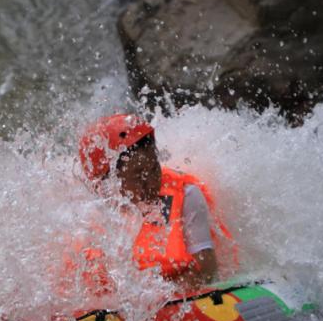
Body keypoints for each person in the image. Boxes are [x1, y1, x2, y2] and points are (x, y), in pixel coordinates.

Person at [77, 113, 235, 290]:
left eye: (154, 168)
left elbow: (207, 273)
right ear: (108, 182)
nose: (151, 182)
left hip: (176, 291)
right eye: (138, 176)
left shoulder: (187, 195)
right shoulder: (89, 214)